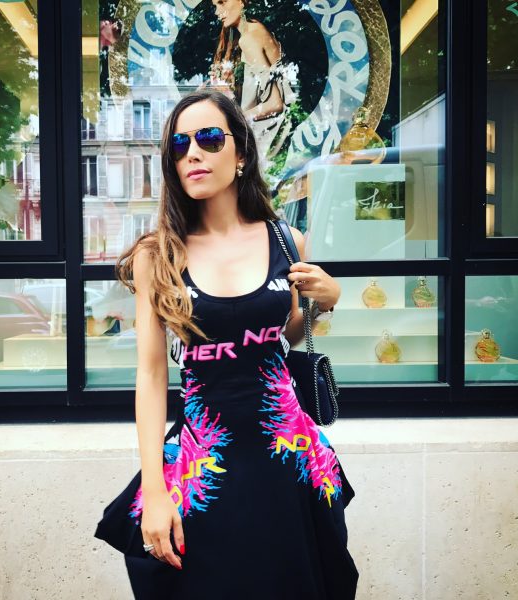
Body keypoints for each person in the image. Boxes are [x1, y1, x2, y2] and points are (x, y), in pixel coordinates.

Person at [94, 89, 359, 599]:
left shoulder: (286, 241)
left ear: (240, 153)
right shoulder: (159, 256)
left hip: (287, 458)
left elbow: (282, 338)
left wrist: (326, 301)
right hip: (205, 465)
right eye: (179, 145)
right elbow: (151, 375)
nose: (192, 153)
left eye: (210, 139)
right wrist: (154, 488)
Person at [209, 0, 297, 161]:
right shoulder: (256, 28)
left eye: (222, 2)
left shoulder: (248, 39)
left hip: (273, 138)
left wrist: (232, 119)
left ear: (241, 2)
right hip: (283, 132)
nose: (217, 12)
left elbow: (274, 104)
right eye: (215, 6)